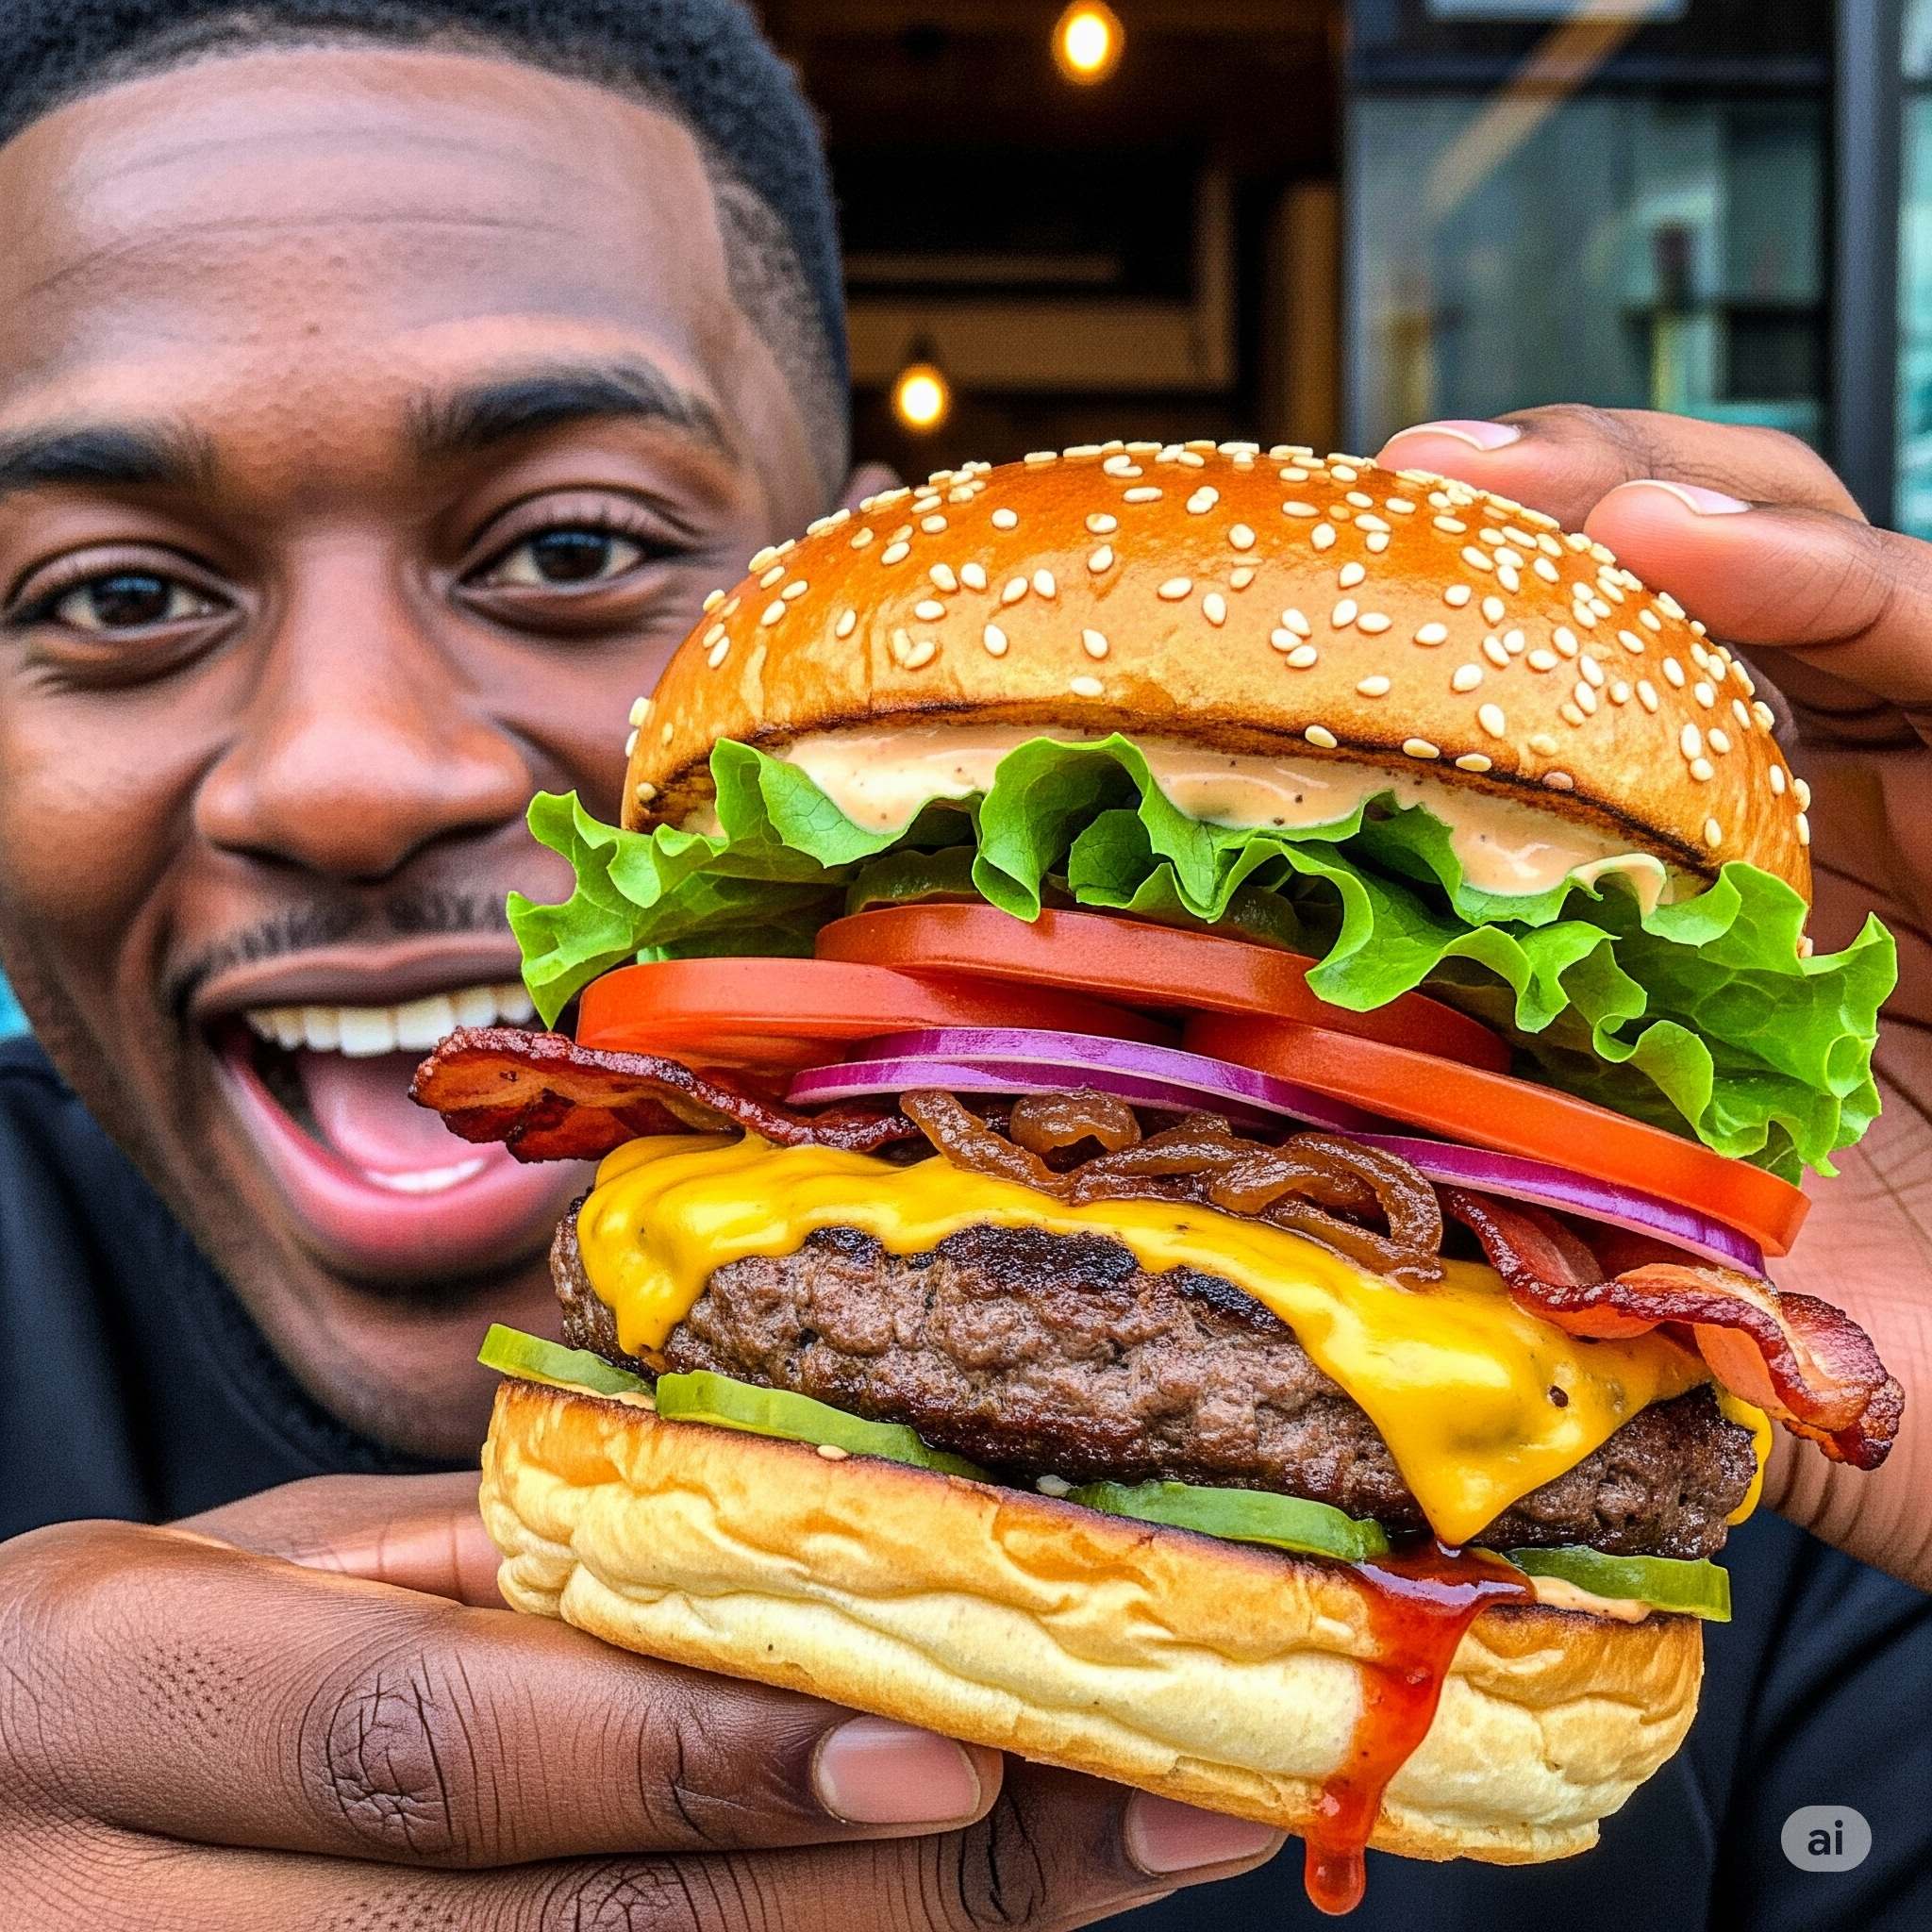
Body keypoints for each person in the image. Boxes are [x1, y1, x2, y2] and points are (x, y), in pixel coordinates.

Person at [0, 3, 1921, 1925]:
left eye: (571, 544)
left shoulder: (1792, 1518)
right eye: (115, 592)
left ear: (811, 559)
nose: (347, 771)